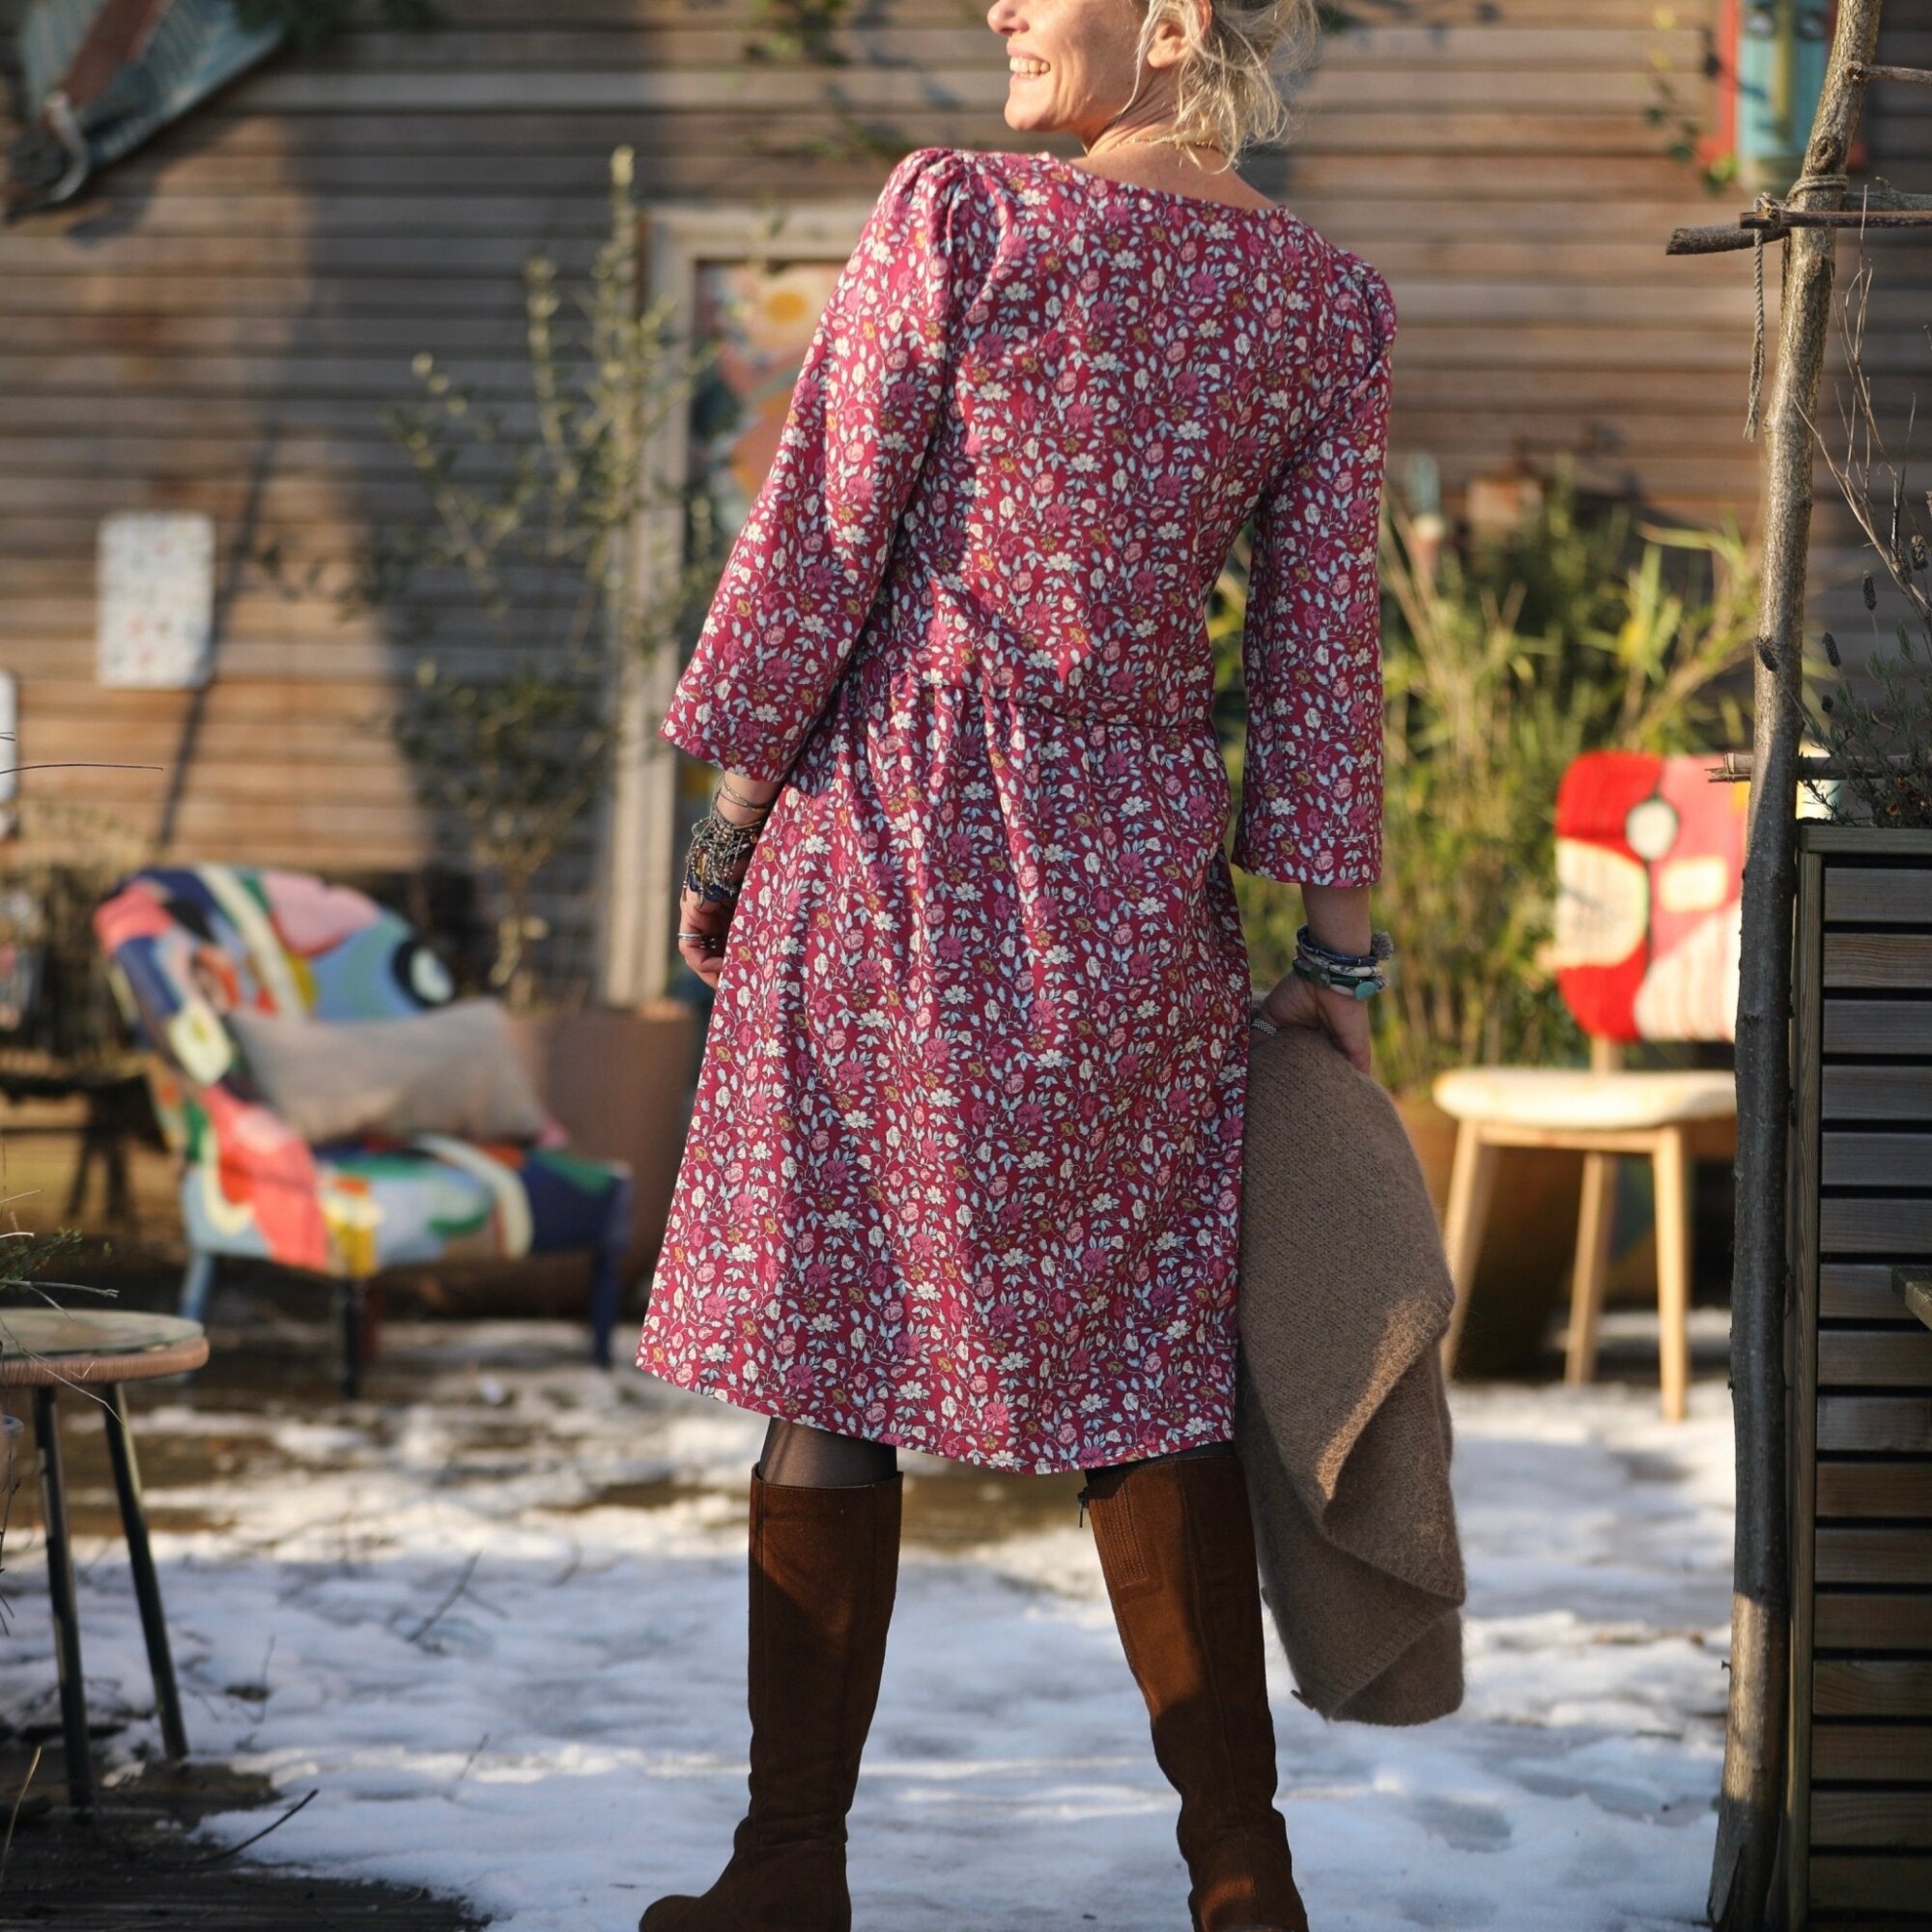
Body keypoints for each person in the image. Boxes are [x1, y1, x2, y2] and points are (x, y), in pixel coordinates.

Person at [635, 0, 1396, 1924]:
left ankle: (785, 1871)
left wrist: (729, 815)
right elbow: (1318, 654)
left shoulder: (964, 214)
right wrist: (1341, 957)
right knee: (1153, 1371)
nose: (995, 7)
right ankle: (1242, 1876)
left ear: (1169, 22)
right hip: (1134, 888)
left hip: (888, 850)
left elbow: (820, 532)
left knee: (830, 1350)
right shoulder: (1325, 304)